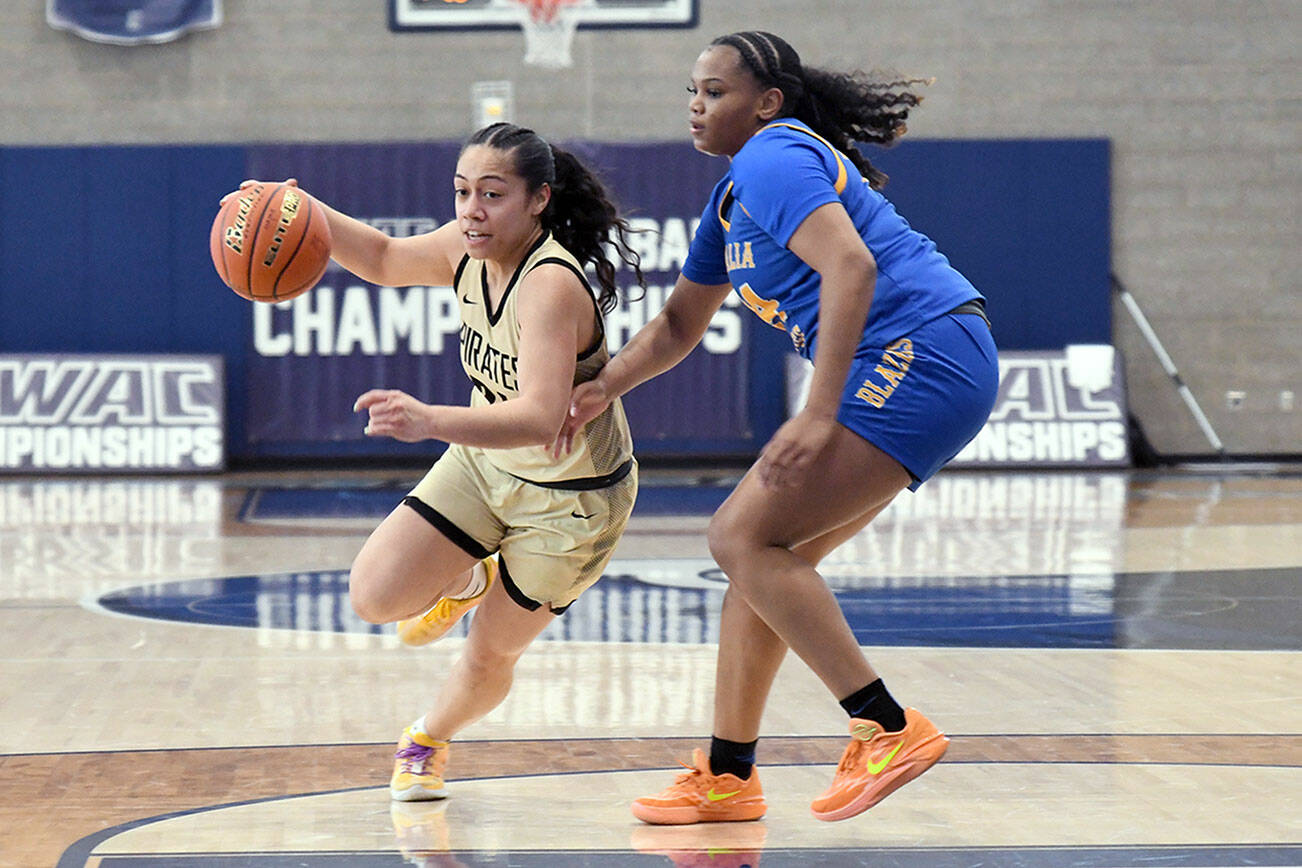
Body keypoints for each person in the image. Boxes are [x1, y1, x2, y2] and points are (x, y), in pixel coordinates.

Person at [555, 32, 999, 824]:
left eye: (714, 92)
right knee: (759, 564)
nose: (696, 106)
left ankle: (887, 726)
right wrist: (599, 389)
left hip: (920, 350)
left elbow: (852, 267)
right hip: (931, 355)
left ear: (766, 103)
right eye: (692, 92)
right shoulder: (733, 197)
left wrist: (819, 412)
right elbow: (678, 325)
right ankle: (729, 775)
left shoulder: (773, 154)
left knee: (738, 536)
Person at [229, 122, 645, 802]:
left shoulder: (549, 284)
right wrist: (293, 205)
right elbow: (385, 257)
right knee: (374, 596)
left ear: (538, 200)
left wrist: (427, 421)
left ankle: (426, 739)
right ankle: (469, 574)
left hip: (571, 501)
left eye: (492, 194)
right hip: (486, 464)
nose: (472, 210)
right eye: (461, 192)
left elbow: (540, 419)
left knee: (489, 651)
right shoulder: (465, 248)